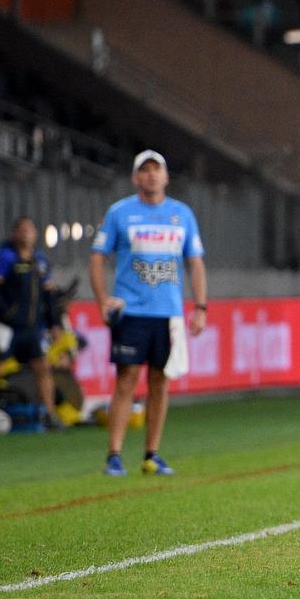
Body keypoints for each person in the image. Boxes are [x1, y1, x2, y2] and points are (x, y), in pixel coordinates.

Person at [89, 149, 207, 477]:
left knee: (161, 381)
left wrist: (200, 306)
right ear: (135, 177)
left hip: (168, 312)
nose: (151, 175)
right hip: (131, 310)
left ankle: (151, 454)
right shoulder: (120, 213)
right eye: (145, 170)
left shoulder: (181, 214)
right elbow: (97, 256)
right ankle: (114, 455)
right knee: (126, 380)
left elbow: (195, 262)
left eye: (157, 170)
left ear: (166, 177)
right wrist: (102, 301)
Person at [0, 216, 64, 428]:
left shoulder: (40, 261)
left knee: (42, 367)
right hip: (5, 327)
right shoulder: (5, 257)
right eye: (22, 230)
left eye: (30, 229)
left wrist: (53, 323)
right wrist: (6, 313)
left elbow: (49, 294)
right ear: (14, 233)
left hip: (31, 329)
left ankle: (49, 414)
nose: (26, 233)